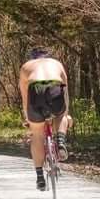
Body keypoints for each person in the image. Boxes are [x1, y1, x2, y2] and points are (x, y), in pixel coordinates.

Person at [18, 46, 71, 190]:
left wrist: (28, 117)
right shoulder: (56, 64)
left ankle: (40, 176)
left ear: (33, 58)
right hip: (55, 87)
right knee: (61, 115)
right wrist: (66, 114)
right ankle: (60, 142)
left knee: (37, 135)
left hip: (35, 91)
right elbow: (65, 91)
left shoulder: (26, 66)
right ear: (48, 57)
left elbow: (25, 95)